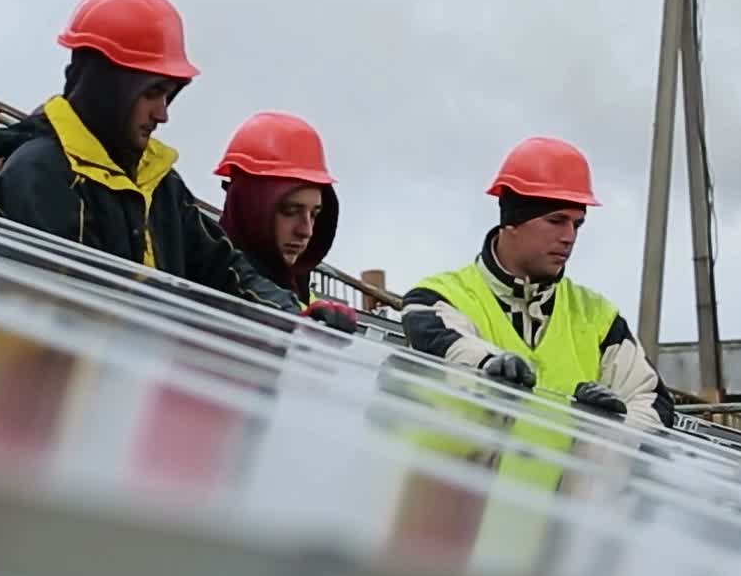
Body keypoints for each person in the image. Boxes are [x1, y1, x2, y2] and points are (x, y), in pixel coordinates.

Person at [0, 0, 301, 314]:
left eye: (168, 95)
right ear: (106, 88)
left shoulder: (159, 182)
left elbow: (224, 270)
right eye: (151, 93)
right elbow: (70, 316)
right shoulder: (39, 175)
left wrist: (299, 317)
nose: (163, 114)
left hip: (129, 363)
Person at [402, 136, 676, 431]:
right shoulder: (436, 299)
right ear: (512, 221)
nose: (569, 236)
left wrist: (611, 430)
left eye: (577, 224)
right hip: (453, 477)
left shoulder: (600, 319)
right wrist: (491, 366)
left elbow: (652, 403)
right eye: (556, 220)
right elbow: (450, 348)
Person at [214, 112, 357, 333]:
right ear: (249, 206)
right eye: (290, 211)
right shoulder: (210, 279)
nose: (306, 231)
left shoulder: (298, 286)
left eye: (314, 214)